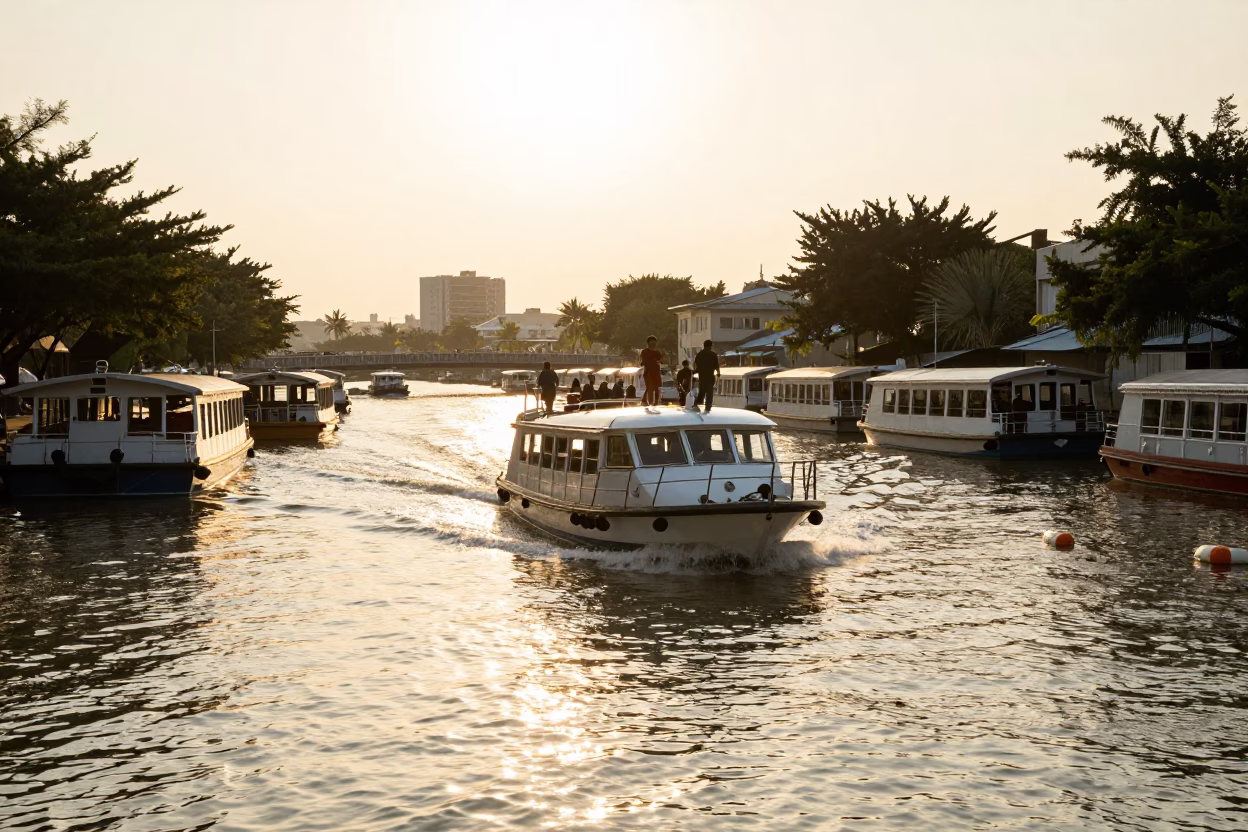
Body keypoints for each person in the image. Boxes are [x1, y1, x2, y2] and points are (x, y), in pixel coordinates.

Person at [693, 339, 720, 413]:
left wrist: (695, 371)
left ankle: (697, 404)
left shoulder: (699, 354)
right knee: (709, 392)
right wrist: (718, 373)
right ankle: (708, 407)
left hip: (702, 377)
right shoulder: (713, 354)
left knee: (701, 391)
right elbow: (717, 365)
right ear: (710, 346)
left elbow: (695, 365)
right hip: (710, 376)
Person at [639, 335, 665, 406]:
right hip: (648, 372)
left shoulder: (657, 352)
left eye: (654, 344)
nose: (653, 345)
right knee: (650, 387)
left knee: (656, 387)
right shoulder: (645, 351)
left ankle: (655, 401)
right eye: (652, 344)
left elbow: (662, 360)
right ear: (648, 343)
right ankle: (649, 402)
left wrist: (660, 360)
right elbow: (643, 361)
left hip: (656, 372)